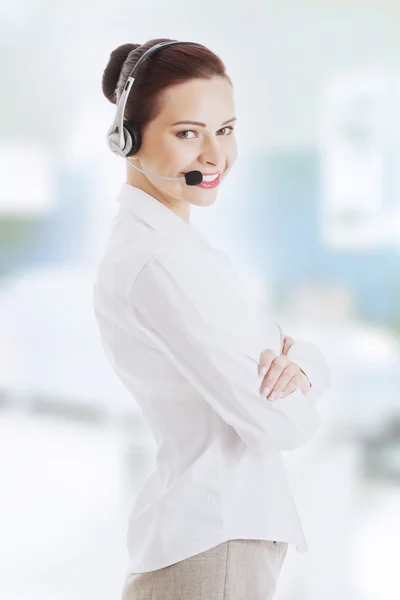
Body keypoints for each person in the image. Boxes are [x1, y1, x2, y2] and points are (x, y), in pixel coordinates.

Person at [93, 38, 331, 600]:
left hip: (220, 541)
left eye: (224, 130)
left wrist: (303, 365)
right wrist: (302, 376)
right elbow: (279, 425)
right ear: (126, 138)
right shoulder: (158, 263)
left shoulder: (185, 253)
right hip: (213, 548)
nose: (215, 156)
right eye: (186, 133)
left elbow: (295, 352)